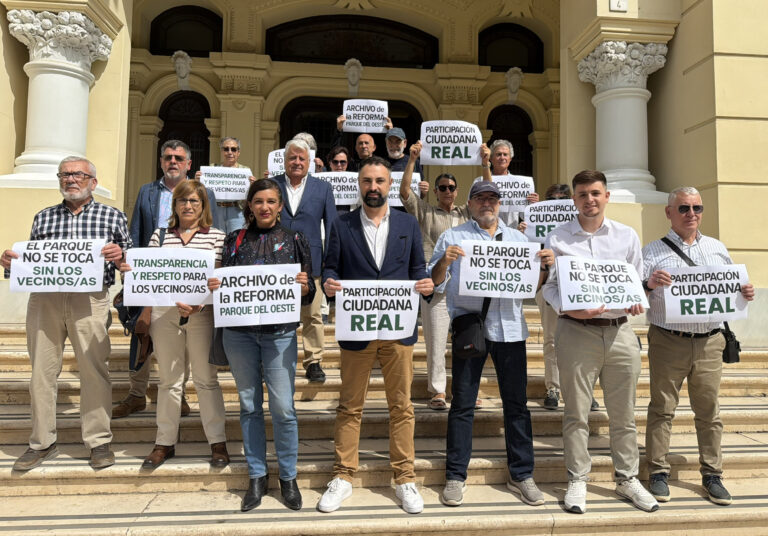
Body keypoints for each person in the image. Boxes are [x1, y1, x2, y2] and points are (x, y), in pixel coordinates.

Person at [318, 156, 434, 514]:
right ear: (359, 184)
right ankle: (343, 476)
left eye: (380, 181)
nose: (373, 187)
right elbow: (330, 266)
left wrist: (426, 284)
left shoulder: (407, 223)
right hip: (358, 330)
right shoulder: (342, 224)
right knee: (350, 406)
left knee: (401, 406)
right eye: (367, 181)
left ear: (389, 184)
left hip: (398, 331)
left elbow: (417, 268)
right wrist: (329, 282)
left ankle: (405, 478)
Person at [429, 181, 553, 508]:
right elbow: (435, 282)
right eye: (481, 198)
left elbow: (532, 288)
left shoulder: (518, 239)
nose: (487, 204)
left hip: (511, 330)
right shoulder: (452, 238)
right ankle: (456, 475)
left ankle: (522, 474)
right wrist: (445, 260)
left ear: (499, 204)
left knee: (516, 406)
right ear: (469, 203)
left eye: (492, 199)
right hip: (472, 329)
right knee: (462, 405)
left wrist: (543, 268)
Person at [2, 156, 130, 471]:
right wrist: (11, 264)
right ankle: (41, 443)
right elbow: (31, 263)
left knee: (93, 371)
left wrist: (121, 254)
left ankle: (99, 442)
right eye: (65, 174)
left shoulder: (112, 216)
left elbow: (129, 263)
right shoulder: (43, 217)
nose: (70, 179)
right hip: (44, 301)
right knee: (41, 374)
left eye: (77, 174)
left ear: (93, 182)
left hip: (90, 300)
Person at [542, 170, 658, 514]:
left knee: (624, 415)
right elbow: (549, 287)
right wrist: (569, 310)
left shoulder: (626, 236)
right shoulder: (557, 237)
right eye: (582, 194)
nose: (589, 199)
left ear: (606, 196)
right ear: (573, 199)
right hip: (576, 333)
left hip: (621, 332)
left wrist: (638, 298)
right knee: (576, 412)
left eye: (595, 193)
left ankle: (627, 478)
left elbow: (635, 280)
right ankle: (578, 478)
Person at [642, 186, 754, 506]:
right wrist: (649, 285)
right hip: (668, 341)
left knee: (709, 412)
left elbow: (729, 291)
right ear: (669, 213)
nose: (692, 214)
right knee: (662, 409)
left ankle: (712, 474)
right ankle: (658, 472)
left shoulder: (718, 248)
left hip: (709, 342)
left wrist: (742, 295)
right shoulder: (651, 251)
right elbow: (635, 295)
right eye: (684, 209)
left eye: (697, 208)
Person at [208, 178, 314, 512]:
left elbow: (308, 290)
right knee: (250, 405)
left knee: (283, 408)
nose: (265, 207)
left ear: (280, 206)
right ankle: (257, 475)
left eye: (271, 201)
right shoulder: (233, 239)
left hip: (279, 334)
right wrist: (215, 283)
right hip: (239, 334)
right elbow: (224, 284)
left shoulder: (295, 238)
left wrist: (304, 284)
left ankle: (288, 477)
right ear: (250, 206)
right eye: (258, 201)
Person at [122, 180, 228, 470]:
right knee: (169, 381)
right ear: (175, 205)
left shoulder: (217, 237)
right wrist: (130, 269)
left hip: (201, 314)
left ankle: (217, 442)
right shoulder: (159, 235)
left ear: (204, 205)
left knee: (206, 380)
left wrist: (199, 303)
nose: (188, 206)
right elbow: (151, 275)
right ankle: (164, 443)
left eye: (194, 201)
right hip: (165, 314)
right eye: (182, 201)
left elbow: (219, 278)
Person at [114, 140, 219, 419]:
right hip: (153, 280)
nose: (173, 161)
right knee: (141, 333)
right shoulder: (147, 191)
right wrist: (133, 274)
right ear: (161, 162)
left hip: (190, 289)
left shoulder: (204, 193)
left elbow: (212, 229)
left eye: (179, 158)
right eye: (168, 157)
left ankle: (179, 394)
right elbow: (136, 233)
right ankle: (136, 393)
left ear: (188, 164)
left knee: (182, 342)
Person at [400, 140, 491, 410]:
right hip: (436, 285)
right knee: (437, 340)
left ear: (457, 191)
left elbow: (489, 193)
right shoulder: (425, 212)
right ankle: (438, 391)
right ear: (436, 192)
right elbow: (405, 192)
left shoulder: (467, 213)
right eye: (442, 188)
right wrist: (412, 160)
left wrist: (485, 165)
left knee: (469, 342)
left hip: (466, 287)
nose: (447, 191)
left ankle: (468, 390)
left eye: (452, 188)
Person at [271, 138, 337, 382]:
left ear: (310, 162)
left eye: (302, 158)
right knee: (278, 313)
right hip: (277, 260)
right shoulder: (272, 184)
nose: (297, 162)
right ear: (285, 161)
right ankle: (277, 360)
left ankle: (313, 361)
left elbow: (331, 227)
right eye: (292, 158)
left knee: (312, 315)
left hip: (313, 261)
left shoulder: (323, 188)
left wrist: (330, 263)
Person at [195, 137, 256, 234]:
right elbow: (201, 191)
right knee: (216, 238)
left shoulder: (245, 170)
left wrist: (253, 185)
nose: (230, 152)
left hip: (237, 211)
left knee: (236, 240)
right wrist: (198, 181)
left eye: (233, 149)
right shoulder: (212, 168)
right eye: (226, 149)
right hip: (216, 210)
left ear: (238, 152)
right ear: (222, 151)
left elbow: (251, 194)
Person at [473, 139, 538, 228]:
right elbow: (471, 209)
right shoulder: (479, 181)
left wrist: (533, 204)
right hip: (484, 232)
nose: (502, 157)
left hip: (510, 234)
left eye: (505, 155)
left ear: (510, 159)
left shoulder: (521, 184)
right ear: (491, 158)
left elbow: (525, 216)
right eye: (498, 154)